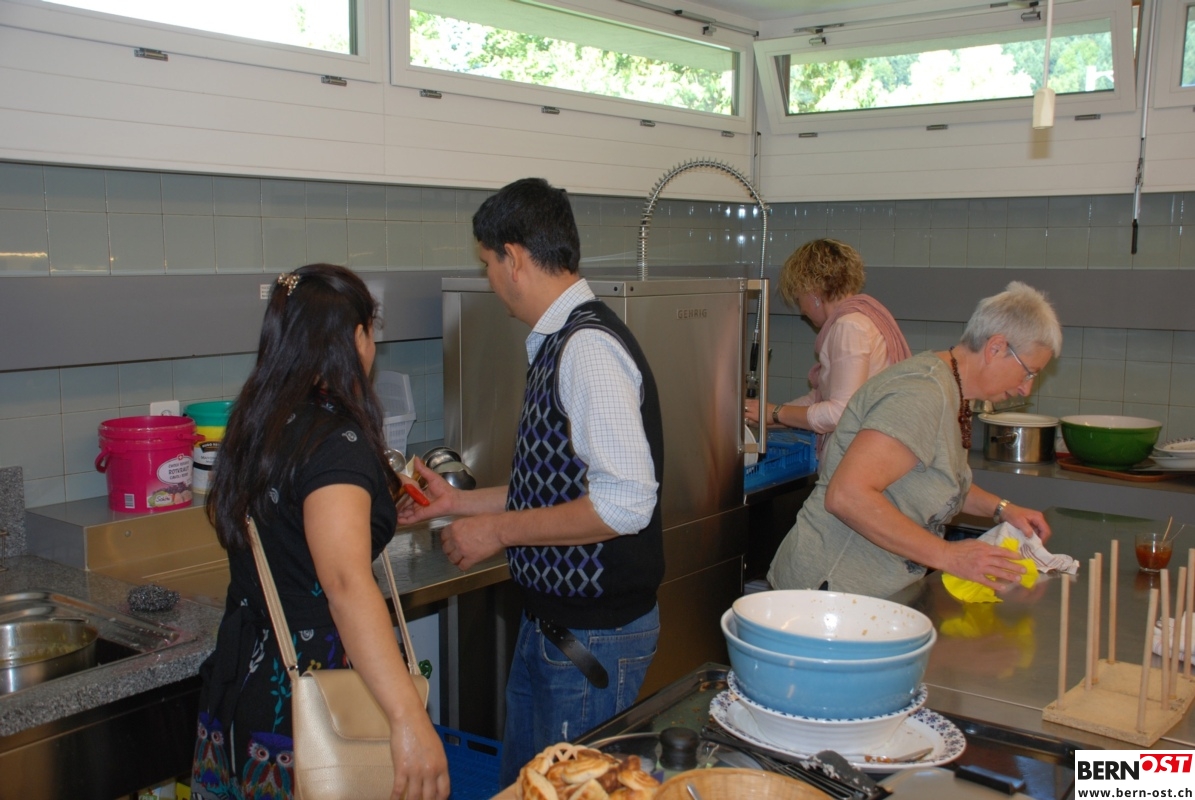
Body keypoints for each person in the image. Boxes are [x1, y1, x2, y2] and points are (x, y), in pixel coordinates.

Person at [397, 178, 664, 786]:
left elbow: (625, 503)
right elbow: (557, 484)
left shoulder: (587, 349)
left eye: (488, 263)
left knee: (569, 794)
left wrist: (498, 532)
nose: (490, 279)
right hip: (555, 627)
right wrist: (459, 503)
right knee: (526, 789)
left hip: (592, 638)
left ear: (513, 258)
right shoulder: (558, 343)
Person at [191, 263, 449, 800]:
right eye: (371, 330)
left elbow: (288, 529)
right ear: (355, 338)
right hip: (313, 694)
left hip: (245, 676)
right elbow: (345, 584)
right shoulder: (335, 442)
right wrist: (408, 718)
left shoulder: (255, 423)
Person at [768, 281, 1061, 599]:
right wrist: (950, 556)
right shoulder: (921, 393)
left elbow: (938, 481)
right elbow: (847, 496)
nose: (1026, 388)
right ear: (996, 348)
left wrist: (1002, 509)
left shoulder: (953, 392)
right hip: (827, 590)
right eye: (1028, 372)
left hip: (869, 593)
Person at [745, 238, 911, 461]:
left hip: (859, 459)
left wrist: (775, 413)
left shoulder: (849, 327)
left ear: (813, 291)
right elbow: (821, 398)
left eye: (799, 298)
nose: (802, 310)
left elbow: (839, 413)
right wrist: (769, 414)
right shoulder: (860, 319)